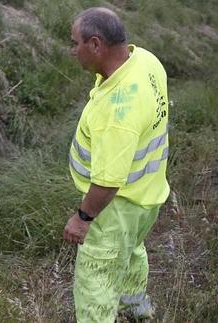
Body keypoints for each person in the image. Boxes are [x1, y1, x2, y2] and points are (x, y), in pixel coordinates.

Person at [63, 7, 170, 322]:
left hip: (115, 208)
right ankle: (135, 306)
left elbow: (108, 182)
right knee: (131, 250)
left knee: (96, 277)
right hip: (146, 197)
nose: (73, 50)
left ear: (96, 45)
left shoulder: (117, 110)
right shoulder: (146, 61)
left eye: (76, 43)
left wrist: (83, 218)